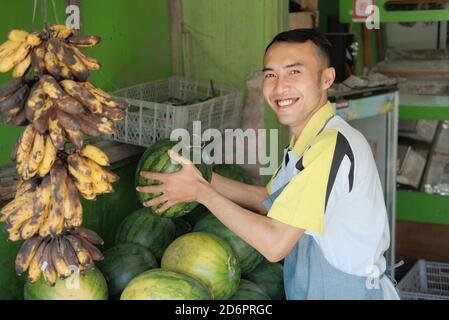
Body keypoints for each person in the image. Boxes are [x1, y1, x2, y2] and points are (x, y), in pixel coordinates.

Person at [136, 29, 399, 300]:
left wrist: (201, 193)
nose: (279, 86)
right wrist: (202, 177)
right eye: (270, 74)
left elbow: (275, 244)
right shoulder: (306, 140)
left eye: (294, 72)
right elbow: (267, 199)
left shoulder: (330, 146)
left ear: (326, 79)